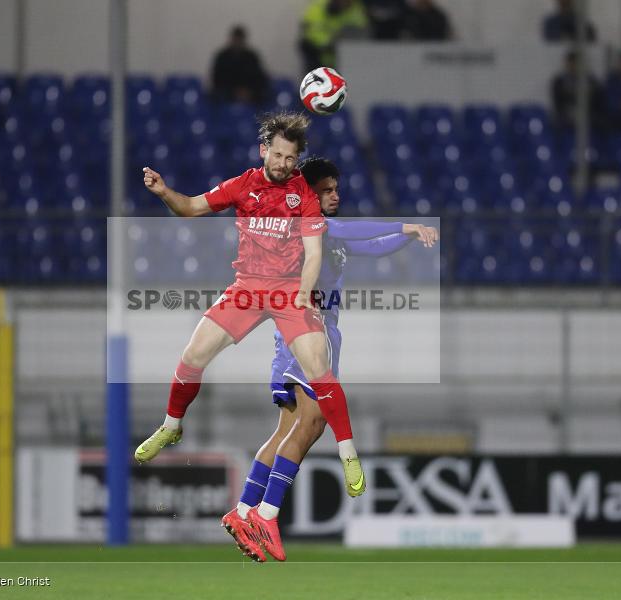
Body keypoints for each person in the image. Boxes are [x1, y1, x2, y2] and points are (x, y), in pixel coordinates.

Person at [137, 112, 366, 514]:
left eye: (290, 158)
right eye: (277, 155)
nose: (282, 164)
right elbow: (191, 207)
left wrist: (303, 293)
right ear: (264, 151)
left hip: (288, 293)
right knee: (193, 357)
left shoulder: (304, 196)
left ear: (297, 160)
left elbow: (313, 253)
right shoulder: (243, 185)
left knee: (320, 370)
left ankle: (349, 455)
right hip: (246, 289)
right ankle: (172, 427)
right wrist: (163, 192)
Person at [220, 157, 439, 562]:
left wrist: (408, 237)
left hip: (296, 337)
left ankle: (245, 509)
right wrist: (405, 224)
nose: (336, 195)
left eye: (337, 189)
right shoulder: (309, 225)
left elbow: (369, 245)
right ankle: (267, 515)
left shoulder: (325, 237)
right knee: (314, 420)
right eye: (327, 190)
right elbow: (355, 230)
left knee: (289, 427)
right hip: (307, 333)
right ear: (308, 195)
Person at [299, 0, 369, 73]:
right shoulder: (319, 6)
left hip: (342, 53)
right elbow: (308, 30)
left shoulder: (356, 9)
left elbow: (362, 30)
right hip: (317, 49)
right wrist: (328, 43)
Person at [210, 25, 270, 106]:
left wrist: (248, 91)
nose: (237, 42)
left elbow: (260, 78)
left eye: (239, 39)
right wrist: (234, 92)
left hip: (250, 94)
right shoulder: (222, 57)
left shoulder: (251, 57)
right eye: (236, 39)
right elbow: (217, 80)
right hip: (228, 94)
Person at [550, 50, 605, 130]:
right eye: (571, 63)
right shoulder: (559, 82)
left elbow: (597, 101)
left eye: (575, 63)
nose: (573, 66)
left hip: (587, 115)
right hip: (567, 115)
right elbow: (558, 103)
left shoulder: (591, 81)